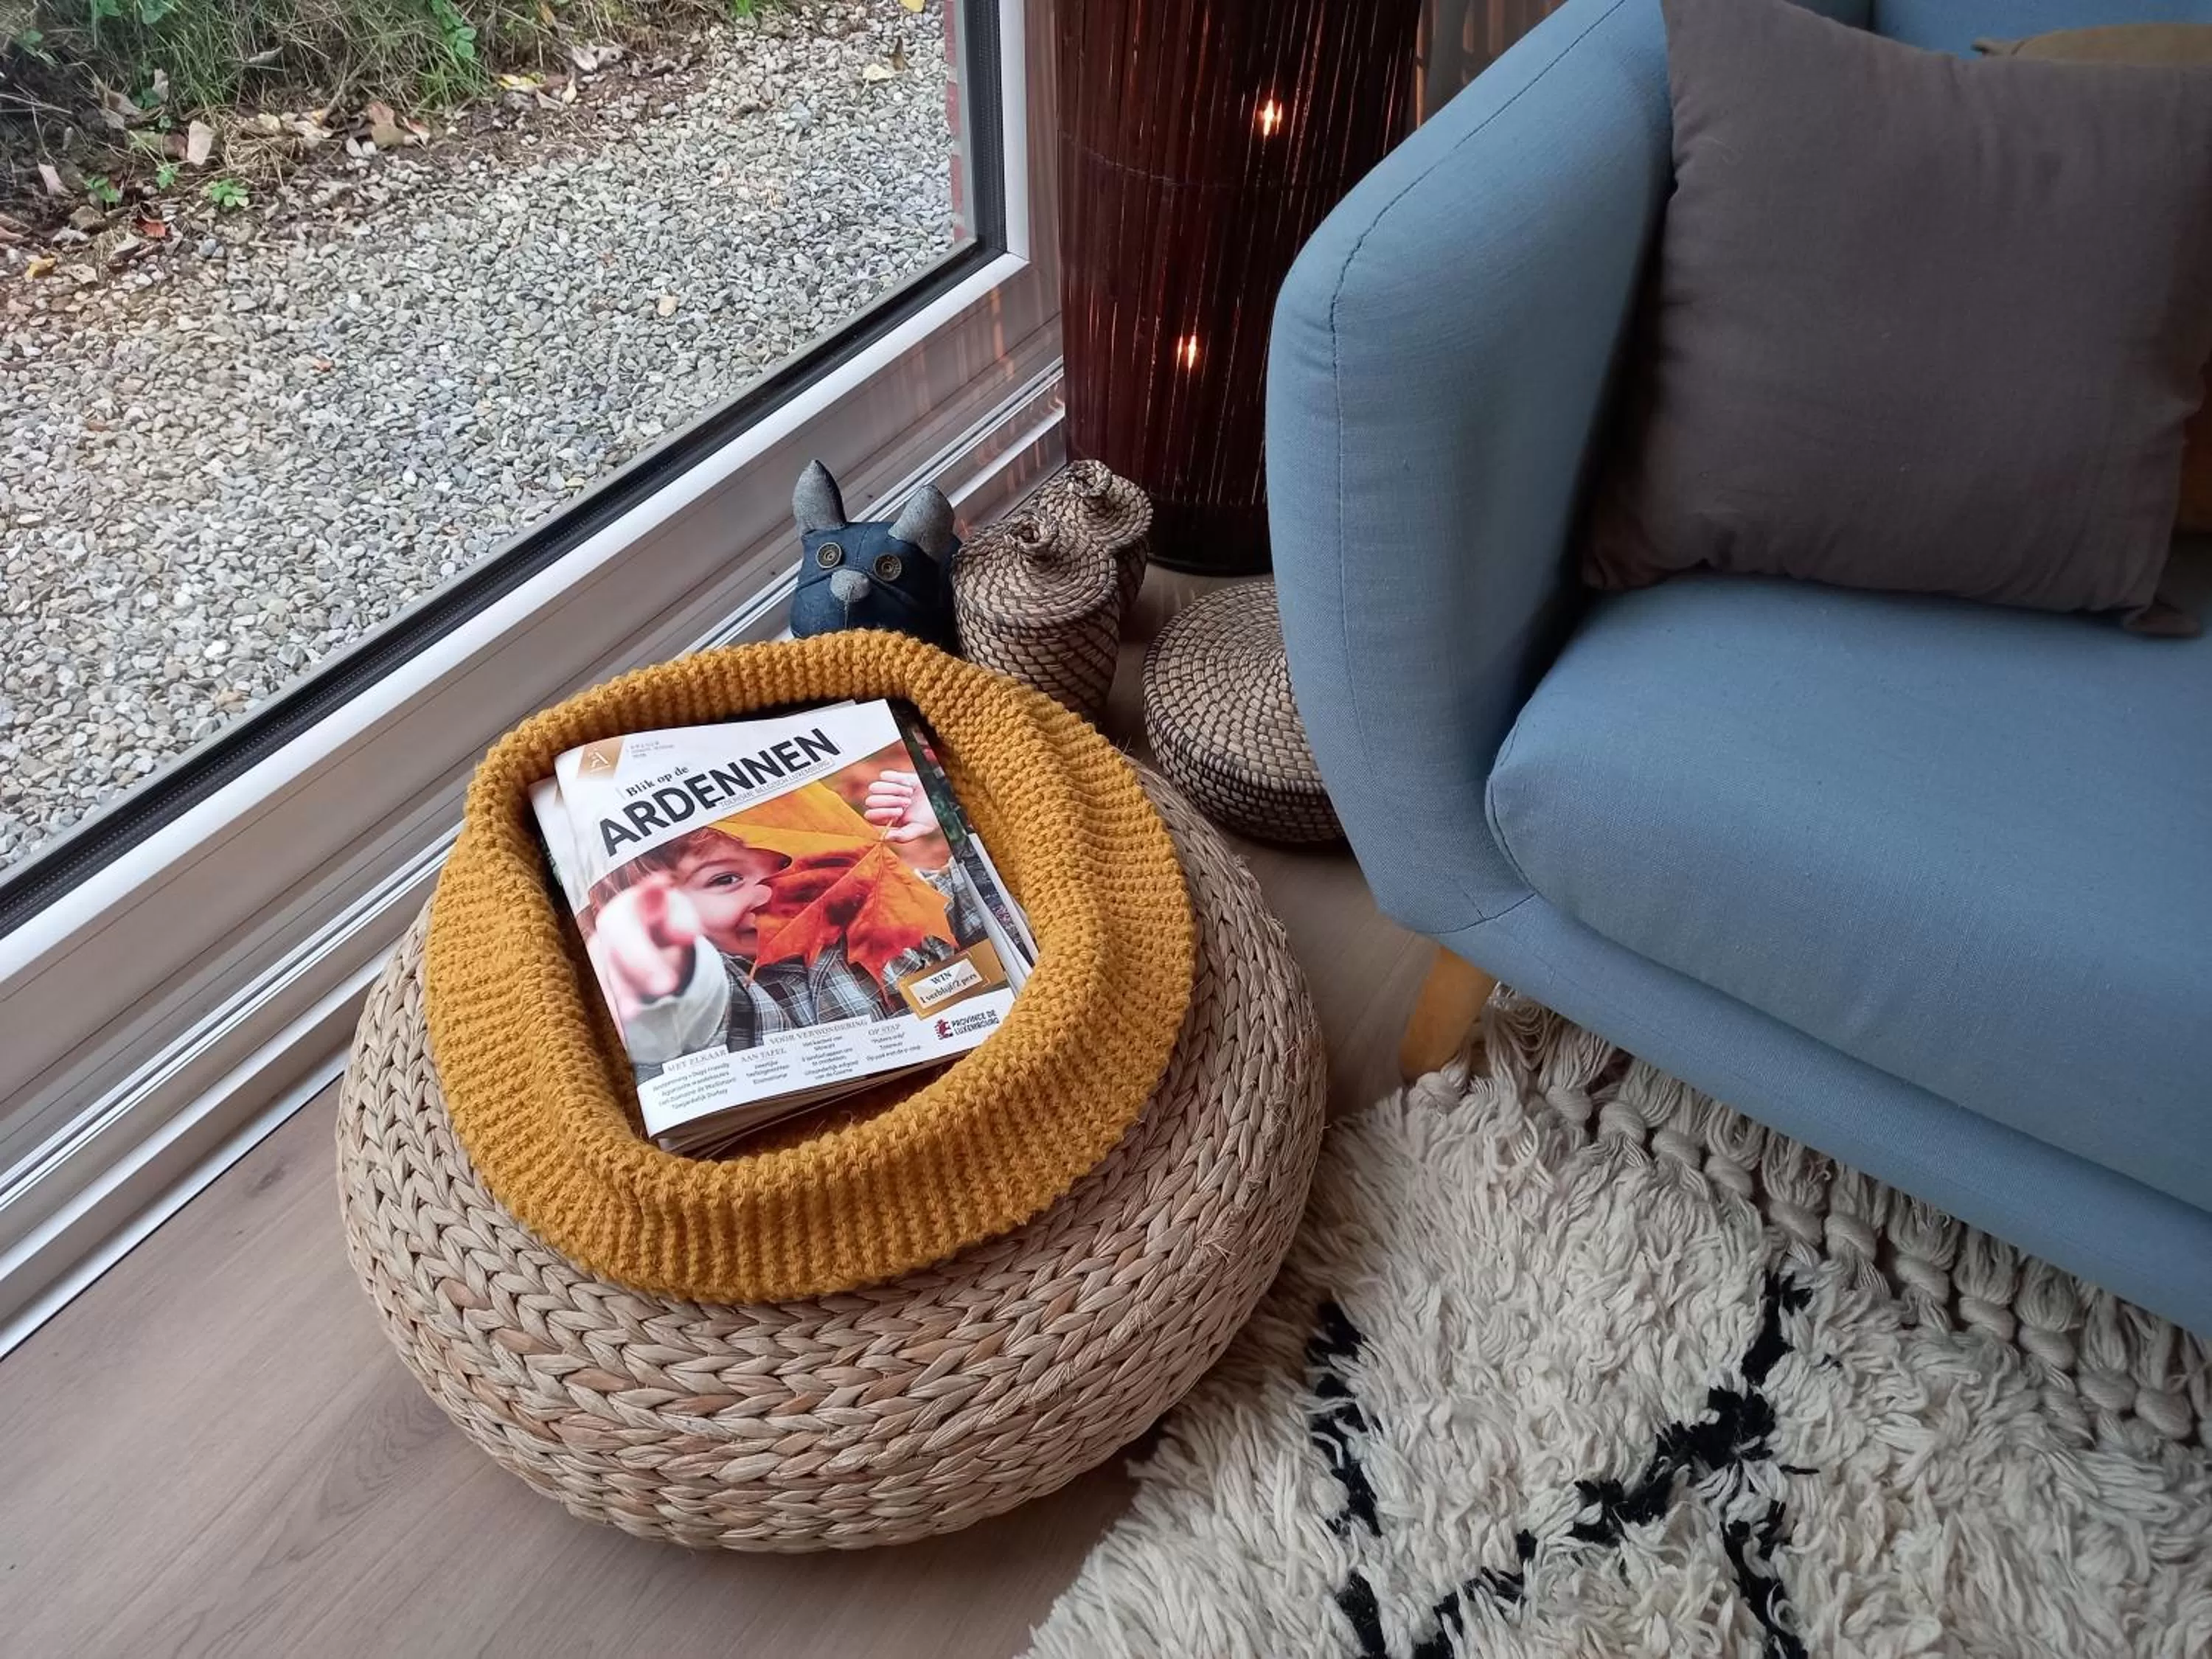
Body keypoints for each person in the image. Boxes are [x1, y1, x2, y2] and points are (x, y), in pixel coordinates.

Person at [585, 769, 981, 1065]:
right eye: (725, 879)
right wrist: (664, 967)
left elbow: (980, 898)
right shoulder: (727, 988)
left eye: (790, 866)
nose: (769, 895)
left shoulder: (882, 906)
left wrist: (948, 808)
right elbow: (695, 1018)